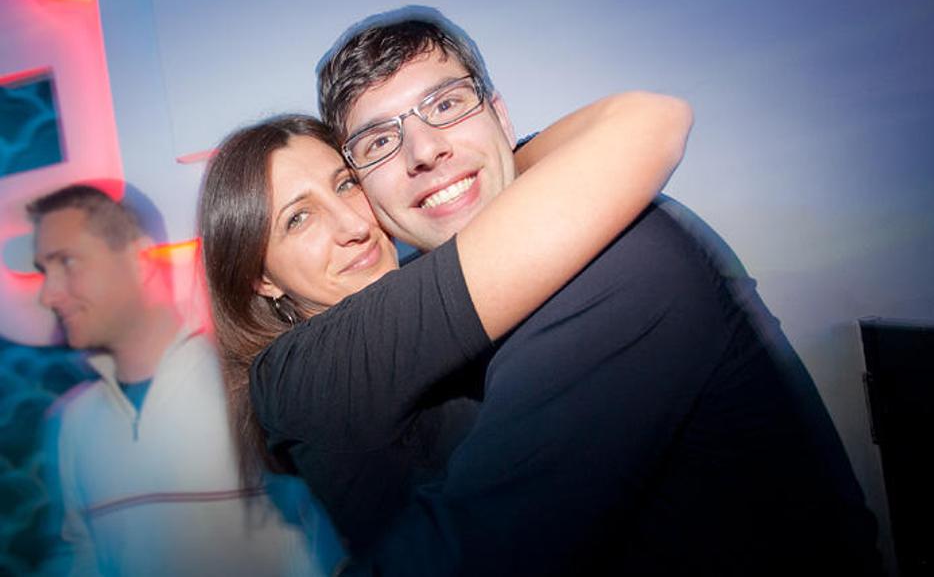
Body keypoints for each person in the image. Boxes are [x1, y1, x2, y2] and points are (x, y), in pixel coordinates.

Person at [315, 8, 885, 576]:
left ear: (501, 119)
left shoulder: (618, 262)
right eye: (379, 141)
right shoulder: (457, 289)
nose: (423, 151)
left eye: (446, 105)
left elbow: (475, 554)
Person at [198, 91, 689, 557]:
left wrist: (486, 168)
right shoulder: (299, 372)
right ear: (262, 278)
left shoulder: (407, 300)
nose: (353, 227)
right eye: (298, 219)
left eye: (346, 185)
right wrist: (487, 168)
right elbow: (643, 124)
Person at [30, 184, 340, 576]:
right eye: (44, 271)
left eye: (67, 262)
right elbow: (81, 555)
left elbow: (331, 534)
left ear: (139, 259)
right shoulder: (72, 421)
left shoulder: (249, 382)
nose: (48, 295)